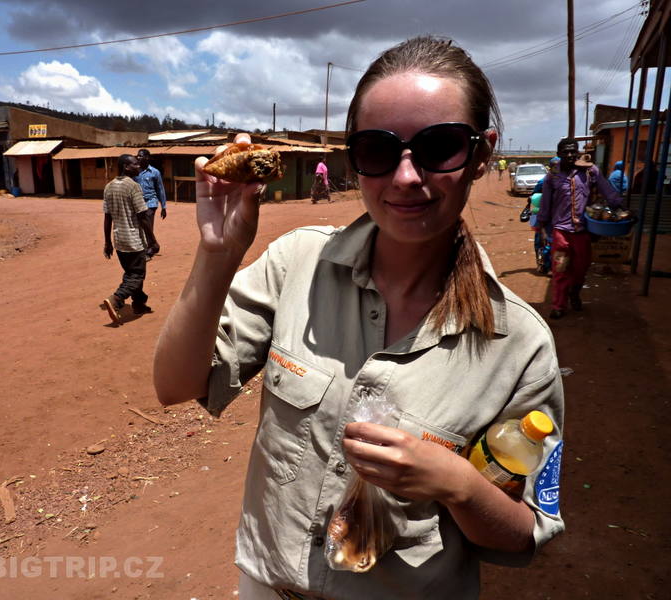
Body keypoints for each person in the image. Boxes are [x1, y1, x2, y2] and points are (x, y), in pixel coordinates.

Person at [154, 36, 564, 599]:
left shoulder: (519, 344)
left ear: (481, 154)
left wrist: (459, 485)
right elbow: (175, 385)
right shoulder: (297, 263)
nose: (406, 177)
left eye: (440, 146)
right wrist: (217, 254)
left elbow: (522, 537)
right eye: (377, 150)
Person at [536, 139, 622, 319]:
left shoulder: (590, 171)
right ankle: (559, 305)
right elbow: (545, 204)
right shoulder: (552, 176)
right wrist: (542, 228)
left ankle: (574, 292)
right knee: (560, 268)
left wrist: (621, 208)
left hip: (583, 232)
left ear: (577, 152)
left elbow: (607, 191)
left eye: (572, 151)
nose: (569, 155)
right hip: (560, 232)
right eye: (565, 152)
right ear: (558, 154)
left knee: (580, 269)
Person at [100, 154, 152, 325]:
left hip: (119, 240)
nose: (139, 166)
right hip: (134, 240)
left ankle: (139, 303)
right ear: (126, 167)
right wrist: (153, 240)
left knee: (131, 273)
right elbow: (143, 216)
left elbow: (107, 217)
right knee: (137, 275)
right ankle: (116, 299)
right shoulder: (133, 186)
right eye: (135, 164)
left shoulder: (109, 187)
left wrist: (108, 242)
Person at [133, 148, 167, 258]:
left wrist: (163, 207)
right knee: (138, 226)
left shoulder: (155, 172)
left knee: (148, 225)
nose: (138, 157)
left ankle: (149, 250)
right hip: (137, 203)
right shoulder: (135, 172)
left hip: (150, 203)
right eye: (137, 156)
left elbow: (160, 189)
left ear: (147, 157)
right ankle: (151, 246)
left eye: (140, 156)